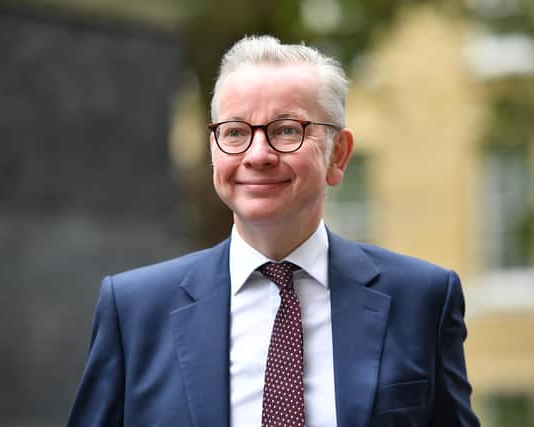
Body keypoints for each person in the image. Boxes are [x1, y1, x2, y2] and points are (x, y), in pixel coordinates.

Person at [68, 35, 480, 427]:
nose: (258, 155)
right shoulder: (135, 311)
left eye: (287, 130)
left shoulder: (422, 299)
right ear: (214, 151)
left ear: (338, 155)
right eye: (235, 132)